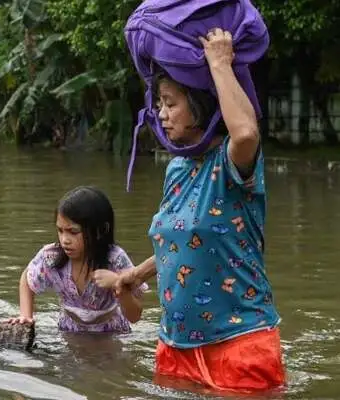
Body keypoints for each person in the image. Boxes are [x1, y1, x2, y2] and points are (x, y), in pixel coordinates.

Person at [114, 28, 284, 392]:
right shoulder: (177, 167)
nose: (161, 114)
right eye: (159, 104)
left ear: (201, 104)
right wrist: (136, 275)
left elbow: (246, 134)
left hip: (239, 344)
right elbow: (181, 245)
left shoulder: (233, 165)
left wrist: (220, 63)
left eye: (171, 103)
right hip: (175, 347)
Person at [9, 186, 148, 333]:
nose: (65, 240)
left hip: (111, 334)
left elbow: (135, 316)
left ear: (101, 230)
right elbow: (27, 278)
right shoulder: (52, 257)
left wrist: (118, 284)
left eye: (73, 232)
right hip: (68, 331)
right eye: (60, 231)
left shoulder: (115, 259)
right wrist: (26, 316)